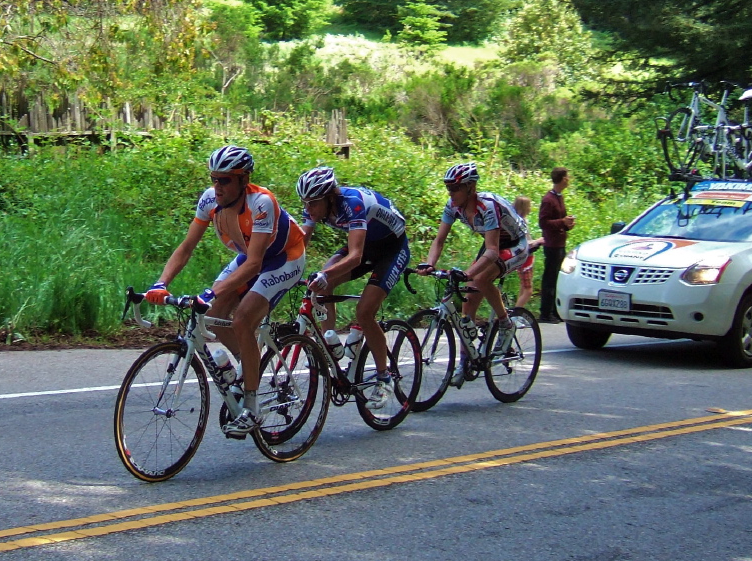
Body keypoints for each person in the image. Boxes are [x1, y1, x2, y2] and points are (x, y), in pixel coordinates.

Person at [145, 145, 306, 438]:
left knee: (243, 319)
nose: (217, 186)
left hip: (285, 258)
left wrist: (211, 290)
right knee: (215, 314)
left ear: (244, 180)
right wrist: (161, 283)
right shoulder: (209, 201)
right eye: (214, 179)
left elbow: (256, 263)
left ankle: (252, 407)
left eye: (225, 180)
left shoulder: (261, 203)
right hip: (250, 255)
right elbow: (186, 248)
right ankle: (247, 368)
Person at [296, 166, 410, 409]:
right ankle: (331, 347)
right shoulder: (316, 206)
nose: (308, 209)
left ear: (329, 197)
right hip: (367, 243)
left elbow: (356, 256)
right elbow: (300, 245)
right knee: (320, 287)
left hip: (391, 248)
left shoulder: (351, 203)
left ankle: (384, 377)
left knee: (364, 311)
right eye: (305, 203)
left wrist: (325, 273)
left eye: (313, 203)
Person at [417, 162, 530, 387]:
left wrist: (468, 273)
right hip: (493, 245)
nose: (451, 193)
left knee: (479, 278)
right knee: (467, 306)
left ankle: (506, 323)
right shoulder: (453, 205)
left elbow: (492, 250)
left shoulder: (487, 206)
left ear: (470, 187)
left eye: (455, 188)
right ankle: (465, 362)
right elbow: (439, 240)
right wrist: (430, 264)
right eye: (448, 188)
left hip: (515, 244)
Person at [538, 167, 575, 324]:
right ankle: (546, 313)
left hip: (560, 242)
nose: (569, 179)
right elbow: (543, 222)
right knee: (550, 279)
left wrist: (567, 224)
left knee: (557, 278)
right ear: (562, 179)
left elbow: (558, 219)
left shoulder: (559, 197)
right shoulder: (548, 199)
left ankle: (554, 311)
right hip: (552, 244)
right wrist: (562, 222)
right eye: (567, 177)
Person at [512, 195, 544, 308]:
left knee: (523, 287)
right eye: (528, 206)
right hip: (524, 258)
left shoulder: (519, 221)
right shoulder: (520, 223)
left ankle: (518, 313)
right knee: (528, 290)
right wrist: (539, 241)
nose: (530, 208)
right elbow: (525, 243)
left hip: (526, 258)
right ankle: (516, 314)